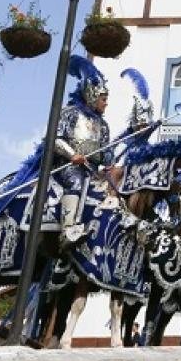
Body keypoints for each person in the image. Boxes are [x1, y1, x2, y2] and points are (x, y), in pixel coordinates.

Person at [54, 56, 113, 244]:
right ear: (92, 95)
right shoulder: (70, 113)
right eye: (103, 99)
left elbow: (106, 151)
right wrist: (73, 155)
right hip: (70, 166)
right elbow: (55, 139)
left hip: (93, 170)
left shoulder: (103, 126)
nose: (106, 103)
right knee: (76, 182)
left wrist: (108, 163)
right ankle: (67, 230)